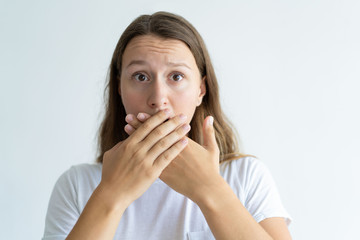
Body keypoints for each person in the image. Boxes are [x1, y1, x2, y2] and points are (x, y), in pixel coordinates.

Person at [42, 11, 292, 240]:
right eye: (141, 77)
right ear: (119, 88)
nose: (158, 99)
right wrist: (112, 194)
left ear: (201, 90)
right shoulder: (77, 186)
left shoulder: (246, 177)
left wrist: (210, 189)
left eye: (176, 76)